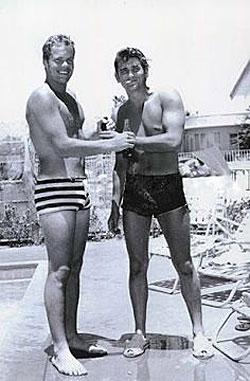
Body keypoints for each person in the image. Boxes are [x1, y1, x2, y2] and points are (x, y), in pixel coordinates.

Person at [26, 35, 135, 377]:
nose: (65, 66)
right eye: (58, 60)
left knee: (74, 266)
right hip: (55, 189)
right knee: (58, 271)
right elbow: (61, 146)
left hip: (78, 188)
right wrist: (110, 146)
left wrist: (100, 132)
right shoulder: (41, 98)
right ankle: (59, 349)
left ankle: (71, 336)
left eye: (70, 60)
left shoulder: (71, 98)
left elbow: (79, 136)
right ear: (45, 62)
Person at [108, 47, 214, 360]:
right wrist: (115, 204)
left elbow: (172, 139)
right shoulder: (121, 114)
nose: (130, 75)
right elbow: (120, 164)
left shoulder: (166, 97)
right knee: (138, 265)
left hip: (168, 186)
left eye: (135, 69)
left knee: (183, 264)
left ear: (145, 71)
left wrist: (132, 141)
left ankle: (199, 333)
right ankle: (139, 333)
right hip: (136, 191)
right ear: (117, 76)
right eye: (123, 70)